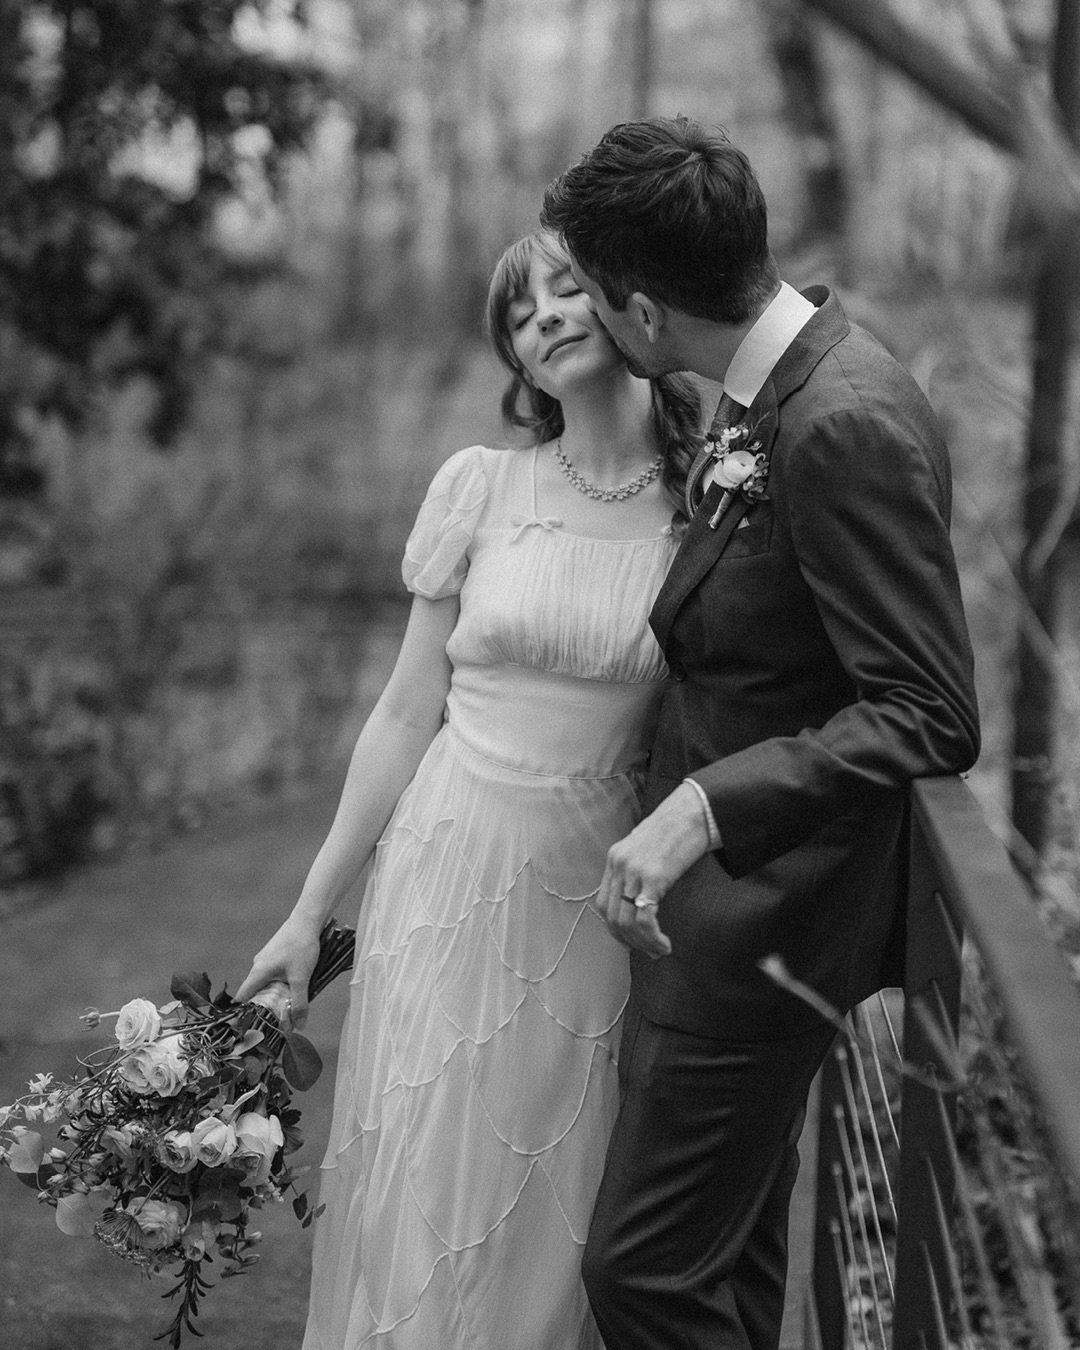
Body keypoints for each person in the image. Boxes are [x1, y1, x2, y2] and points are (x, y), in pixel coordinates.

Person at [540, 116, 981, 1350]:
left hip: (763, 918)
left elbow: (930, 708)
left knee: (642, 1274)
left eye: (593, 298)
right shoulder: (770, 386)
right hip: (711, 918)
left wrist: (705, 807)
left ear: (642, 309)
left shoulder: (839, 422)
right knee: (723, 1268)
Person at [235, 230, 701, 1349]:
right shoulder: (480, 487)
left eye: (566, 288)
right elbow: (405, 713)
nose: (546, 316)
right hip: (447, 865)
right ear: (517, 361)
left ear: (627, 303)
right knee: (429, 1164)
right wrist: (308, 914)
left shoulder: (705, 502)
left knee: (557, 1188)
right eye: (519, 313)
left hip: (593, 887)